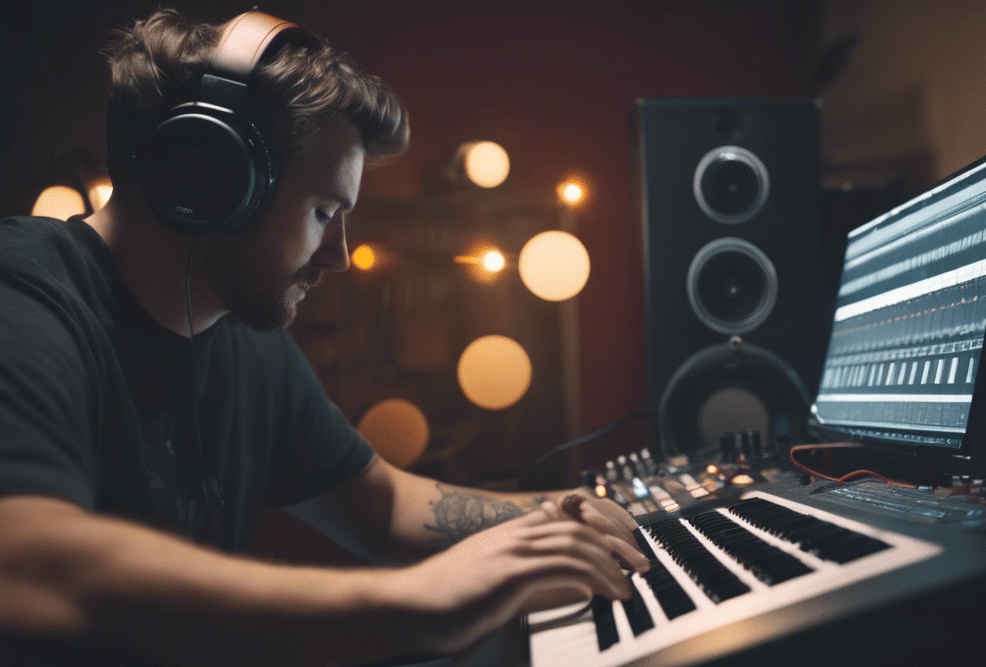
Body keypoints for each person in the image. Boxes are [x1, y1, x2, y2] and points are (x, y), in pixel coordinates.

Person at [0, 8, 649, 667]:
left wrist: (582, 512)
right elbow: (25, 565)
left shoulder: (242, 337)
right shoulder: (22, 294)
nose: (339, 254)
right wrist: (413, 605)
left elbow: (386, 504)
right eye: (322, 212)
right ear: (216, 182)